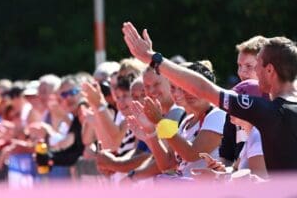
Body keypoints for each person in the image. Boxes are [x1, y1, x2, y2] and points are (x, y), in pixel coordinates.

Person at [122, 22, 297, 172]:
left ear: (269, 70)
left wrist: (153, 59)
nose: (250, 72)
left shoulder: (264, 111)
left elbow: (203, 89)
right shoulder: (270, 110)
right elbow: (169, 165)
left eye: (256, 64)